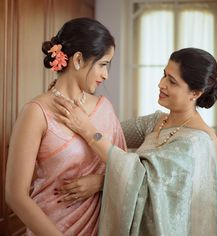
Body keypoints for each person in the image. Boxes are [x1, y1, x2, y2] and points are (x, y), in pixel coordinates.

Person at [53, 47, 217, 236]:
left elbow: (162, 193)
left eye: (172, 82)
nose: (161, 84)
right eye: (164, 75)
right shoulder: (155, 122)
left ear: (195, 94)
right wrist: (69, 95)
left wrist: (102, 180)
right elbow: (111, 133)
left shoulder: (200, 142)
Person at [5, 17, 126, 236]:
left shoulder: (104, 108)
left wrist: (100, 182)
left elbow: (124, 169)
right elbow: (15, 194)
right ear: (78, 60)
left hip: (101, 228)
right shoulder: (36, 113)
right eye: (103, 64)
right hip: (51, 227)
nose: (106, 75)